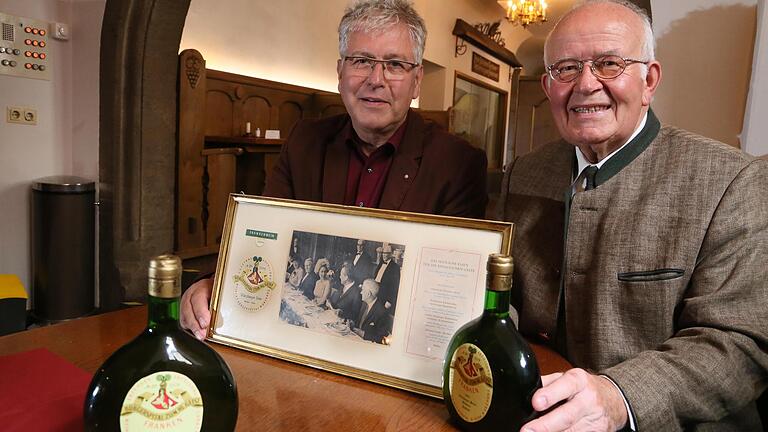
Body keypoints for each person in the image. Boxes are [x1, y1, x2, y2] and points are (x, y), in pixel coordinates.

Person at [496, 1, 768, 430]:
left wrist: (619, 397)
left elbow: (737, 344)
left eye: (609, 64)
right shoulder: (522, 174)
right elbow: (498, 297)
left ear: (649, 81)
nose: (585, 84)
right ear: (548, 86)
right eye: (566, 68)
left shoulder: (733, 181)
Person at [180, 0, 488, 339]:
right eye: (361, 61)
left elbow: (449, 293)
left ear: (416, 82)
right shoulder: (304, 141)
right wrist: (213, 280)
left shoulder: (458, 163)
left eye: (395, 64)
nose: (376, 79)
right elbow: (261, 235)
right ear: (340, 72)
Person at [352, 279, 392, 343]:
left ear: (368, 294)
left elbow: (383, 339)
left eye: (362, 290)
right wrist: (352, 323)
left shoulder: (381, 312)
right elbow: (360, 323)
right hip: (356, 338)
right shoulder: (364, 304)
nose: (361, 292)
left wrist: (364, 334)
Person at [373, 244, 400, 310]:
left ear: (391, 254)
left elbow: (395, 286)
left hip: (384, 295)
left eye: (387, 253)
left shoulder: (395, 267)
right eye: (383, 253)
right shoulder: (381, 263)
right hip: (375, 292)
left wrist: (389, 301)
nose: (384, 255)